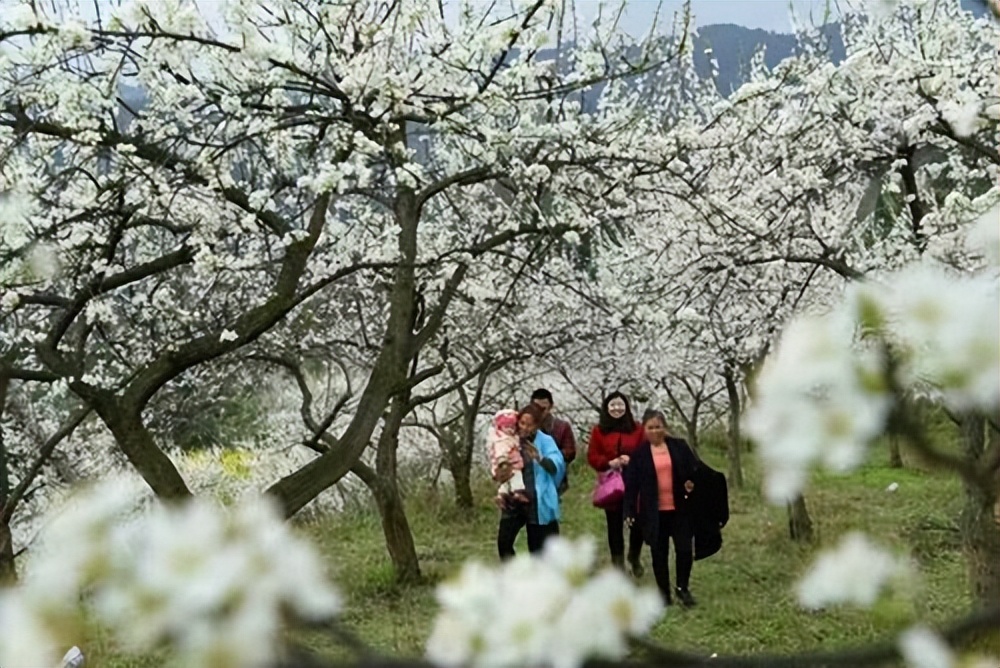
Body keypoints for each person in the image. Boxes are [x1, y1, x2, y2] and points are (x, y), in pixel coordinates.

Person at [623, 409, 699, 607]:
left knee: (684, 550)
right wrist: (629, 511)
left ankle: (682, 588)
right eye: (651, 428)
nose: (655, 431)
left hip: (680, 509)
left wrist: (690, 482)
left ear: (664, 427)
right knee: (659, 553)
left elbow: (694, 469)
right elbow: (631, 486)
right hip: (653, 513)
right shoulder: (639, 455)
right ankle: (663, 593)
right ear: (644, 429)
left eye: (658, 427)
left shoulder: (679, 446)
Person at [494, 404, 566, 559]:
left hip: (537, 501)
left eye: (530, 424)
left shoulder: (545, 441)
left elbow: (557, 466)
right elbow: (497, 462)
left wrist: (539, 458)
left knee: (538, 549)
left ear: (537, 425)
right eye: (522, 423)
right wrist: (500, 473)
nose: (525, 428)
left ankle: (539, 580)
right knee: (504, 543)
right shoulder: (510, 439)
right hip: (514, 499)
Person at [586, 391, 646, 574]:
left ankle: (634, 557)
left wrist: (632, 459)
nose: (616, 408)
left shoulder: (637, 429)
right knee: (614, 525)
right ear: (606, 407)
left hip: (635, 482)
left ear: (626, 406)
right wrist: (608, 462)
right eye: (612, 405)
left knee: (638, 523)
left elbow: (646, 452)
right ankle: (617, 563)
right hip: (612, 483)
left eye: (620, 405)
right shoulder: (599, 430)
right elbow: (592, 456)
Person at [531, 388, 577, 495]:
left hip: (555, 478)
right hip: (530, 478)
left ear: (551, 407)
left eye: (543, 408)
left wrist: (551, 457)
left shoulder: (562, 427)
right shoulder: (526, 426)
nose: (539, 412)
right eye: (535, 408)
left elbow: (570, 452)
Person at [487, 408, 528, 506]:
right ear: (501, 427)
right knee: (516, 477)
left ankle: (501, 495)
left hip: (507, 464)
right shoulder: (502, 439)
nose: (510, 429)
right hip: (509, 464)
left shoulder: (506, 437)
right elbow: (501, 452)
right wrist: (503, 462)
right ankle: (518, 492)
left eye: (512, 427)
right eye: (507, 427)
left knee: (505, 482)